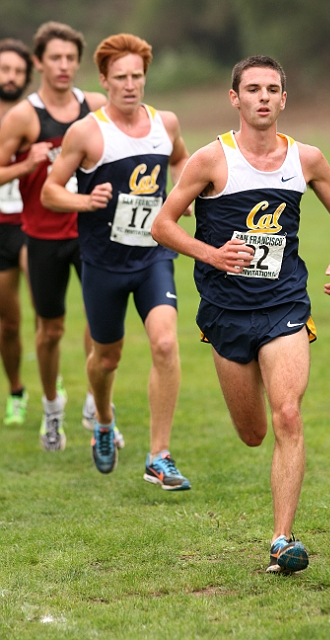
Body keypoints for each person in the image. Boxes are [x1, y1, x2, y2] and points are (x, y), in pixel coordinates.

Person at [151, 55, 330, 573]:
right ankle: (254, 382)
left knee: (287, 414)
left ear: (284, 99)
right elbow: (163, 225)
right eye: (253, 89)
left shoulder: (306, 159)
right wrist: (213, 255)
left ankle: (282, 539)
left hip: (285, 303)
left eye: (272, 89)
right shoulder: (210, 160)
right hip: (225, 311)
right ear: (235, 98)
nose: (263, 97)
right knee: (253, 432)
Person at [41, 33, 191, 488]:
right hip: (103, 263)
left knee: (165, 344)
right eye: (121, 77)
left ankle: (159, 455)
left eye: (138, 77)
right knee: (105, 359)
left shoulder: (166, 123)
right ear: (104, 80)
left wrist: (180, 200)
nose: (131, 85)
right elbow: (51, 190)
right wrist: (85, 202)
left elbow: (182, 161)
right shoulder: (87, 131)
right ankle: (102, 420)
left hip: (153, 257)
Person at [0, 22, 107, 451]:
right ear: (38, 63)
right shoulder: (24, 116)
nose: (64, 66)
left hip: (90, 230)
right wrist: (27, 165)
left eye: (70, 59)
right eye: (55, 58)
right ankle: (50, 408)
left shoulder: (95, 105)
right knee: (50, 330)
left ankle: (93, 400)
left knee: (101, 324)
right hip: (40, 234)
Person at [0, 38, 33, 427]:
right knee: (8, 322)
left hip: (31, 223)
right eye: (4, 69)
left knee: (47, 311)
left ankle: (49, 369)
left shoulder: (34, 115)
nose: (10, 77)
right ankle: (16, 391)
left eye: (17, 71)